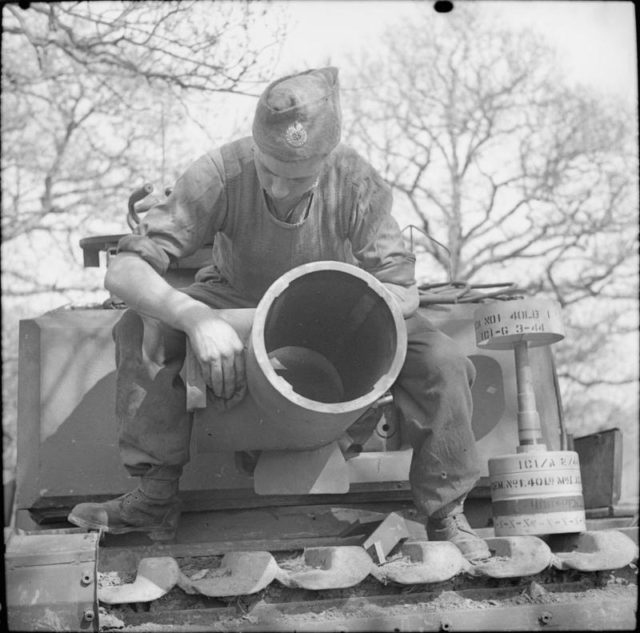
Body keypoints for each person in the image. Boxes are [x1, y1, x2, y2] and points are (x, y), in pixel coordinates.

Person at [68, 67, 490, 561]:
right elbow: (124, 271)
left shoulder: (355, 181)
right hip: (234, 301)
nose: (275, 185)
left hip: (333, 308)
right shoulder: (222, 172)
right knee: (141, 326)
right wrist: (195, 318)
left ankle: (445, 512)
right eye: (266, 167)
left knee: (440, 358)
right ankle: (155, 497)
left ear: (326, 160)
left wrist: (352, 322)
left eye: (294, 178)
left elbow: (399, 286)